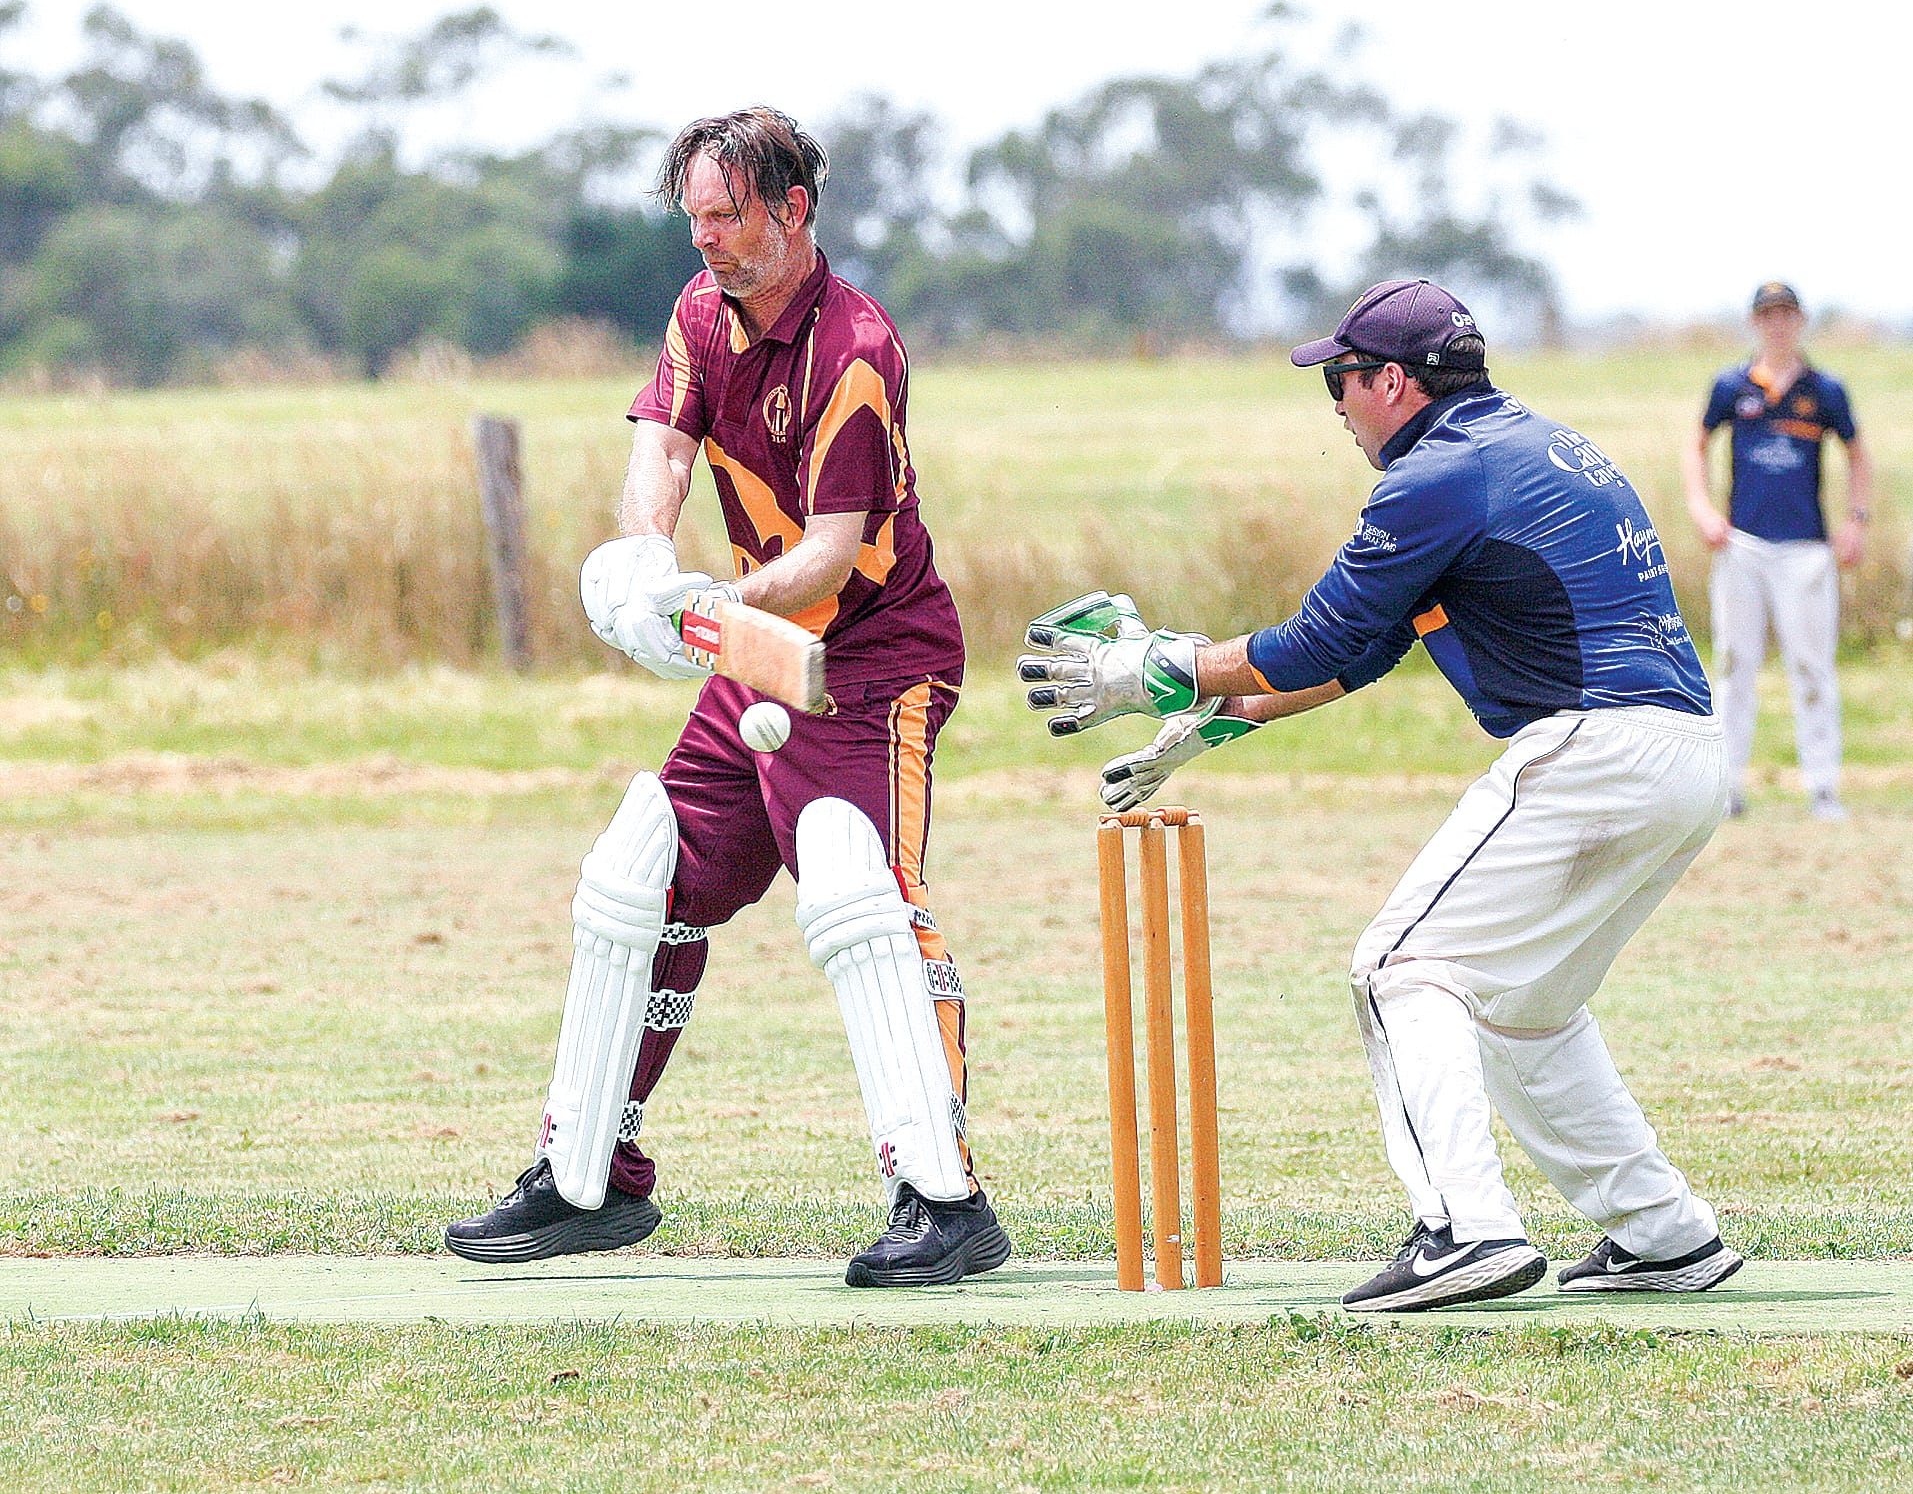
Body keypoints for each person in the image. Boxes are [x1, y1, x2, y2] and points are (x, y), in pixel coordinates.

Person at [1019, 278, 1743, 1313]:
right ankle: (1664, 1235)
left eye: (1342, 380)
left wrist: (1159, 664)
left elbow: (1315, 637)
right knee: (1522, 1011)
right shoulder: (1521, 445)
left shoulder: (1436, 475)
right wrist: (1229, 715)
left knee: (1396, 969)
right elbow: (1365, 651)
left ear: (1394, 381)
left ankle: (1464, 1231)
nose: (1336, 404)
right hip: (1681, 759)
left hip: (1592, 752)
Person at [446, 108, 1009, 1288]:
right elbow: (660, 444)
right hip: (757, 652)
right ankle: (586, 1176)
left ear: (791, 210)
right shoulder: (700, 313)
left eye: (728, 217)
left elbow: (832, 552)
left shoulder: (854, 344)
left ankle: (942, 1197)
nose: (706, 241)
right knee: (636, 878)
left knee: (866, 895)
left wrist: (702, 610)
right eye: (694, 217)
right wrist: (645, 563)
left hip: (871, 657)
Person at [1683, 281, 1872, 821]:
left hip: (1805, 550)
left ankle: (1823, 788)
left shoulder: (1824, 390)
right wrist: (1701, 509)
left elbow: (1859, 455)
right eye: (1768, 315)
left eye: (1786, 314)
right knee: (1735, 664)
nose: (1778, 324)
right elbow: (1696, 445)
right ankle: (1726, 787)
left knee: (1811, 667)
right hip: (1742, 545)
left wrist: (1856, 522)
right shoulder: (1733, 385)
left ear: (1800, 320)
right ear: (1755, 322)